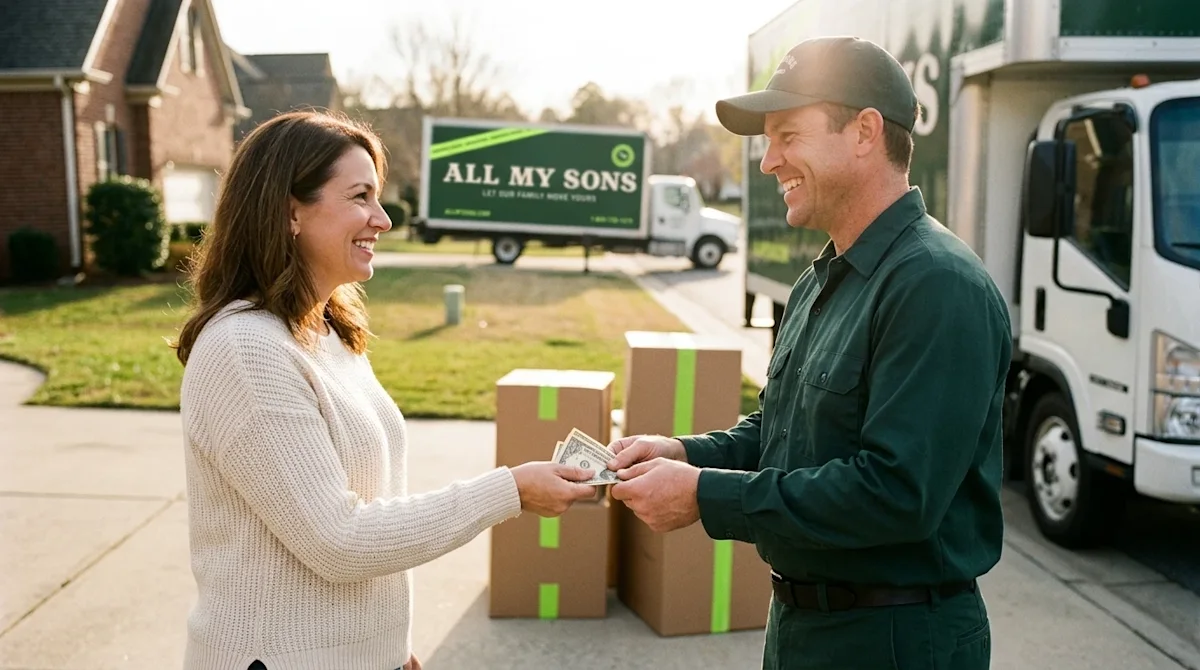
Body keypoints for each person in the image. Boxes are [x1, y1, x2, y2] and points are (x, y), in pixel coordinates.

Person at [608, 36, 1011, 670]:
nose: (769, 161)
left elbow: (896, 494)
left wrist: (705, 495)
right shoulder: (823, 277)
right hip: (804, 628)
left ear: (865, 132)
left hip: (895, 640)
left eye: (788, 135)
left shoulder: (937, 285)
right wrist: (684, 453)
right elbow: (781, 431)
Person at [171, 110, 597, 670]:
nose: (383, 219)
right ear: (290, 210)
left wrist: (386, 646)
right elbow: (339, 541)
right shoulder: (246, 350)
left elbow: (369, 505)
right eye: (360, 196)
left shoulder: (327, 332)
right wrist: (510, 490)